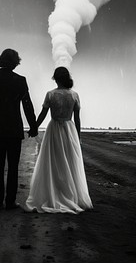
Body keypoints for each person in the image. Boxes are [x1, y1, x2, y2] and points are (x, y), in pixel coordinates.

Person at [25, 67, 93, 214]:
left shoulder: (50, 94)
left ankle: (54, 192)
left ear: (55, 78)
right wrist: (78, 136)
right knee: (68, 161)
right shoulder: (74, 95)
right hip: (69, 130)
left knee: (53, 161)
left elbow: (43, 114)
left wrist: (34, 127)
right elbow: (77, 119)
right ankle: (70, 194)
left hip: (54, 129)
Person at [0, 48, 38, 210]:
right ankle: (10, 201)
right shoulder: (20, 80)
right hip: (14, 129)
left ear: (1, 60)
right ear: (15, 62)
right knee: (13, 166)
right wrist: (33, 126)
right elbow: (27, 106)